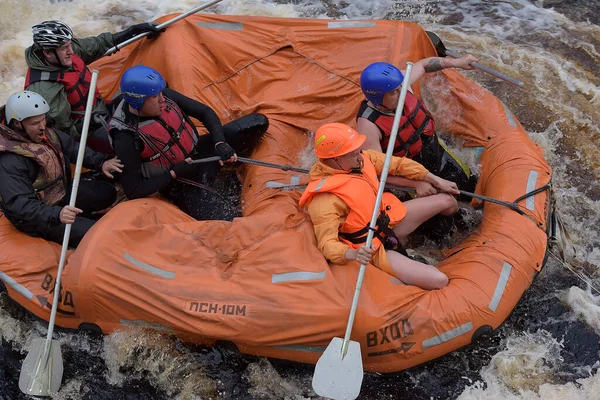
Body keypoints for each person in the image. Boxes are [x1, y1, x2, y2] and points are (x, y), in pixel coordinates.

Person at [299, 123, 460, 290]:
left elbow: (398, 164)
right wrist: (353, 254)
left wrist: (435, 180)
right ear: (335, 159)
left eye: (358, 151)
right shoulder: (324, 200)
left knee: (448, 202)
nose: (360, 157)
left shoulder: (361, 159)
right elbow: (327, 244)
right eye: (354, 154)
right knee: (439, 280)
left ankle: (442, 235)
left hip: (388, 219)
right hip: (372, 247)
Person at [108, 65, 269, 222]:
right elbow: (133, 189)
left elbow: (205, 112)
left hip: (198, 152)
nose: (162, 99)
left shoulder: (162, 96)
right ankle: (212, 183)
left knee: (258, 122)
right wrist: (173, 173)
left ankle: (223, 166)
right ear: (138, 102)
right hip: (178, 180)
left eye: (160, 93)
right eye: (155, 97)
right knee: (228, 219)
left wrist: (220, 143)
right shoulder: (125, 137)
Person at [0, 91, 123, 247]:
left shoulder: (45, 133)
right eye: (35, 123)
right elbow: (20, 204)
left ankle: (81, 216)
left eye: (43, 119)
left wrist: (101, 162)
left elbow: (72, 148)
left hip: (60, 192)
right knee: (96, 234)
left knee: (108, 193)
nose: (42, 126)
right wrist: (57, 214)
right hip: (39, 215)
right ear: (17, 124)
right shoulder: (9, 160)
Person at [24, 19, 164, 152]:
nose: (71, 51)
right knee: (138, 144)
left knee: (148, 96)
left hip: (101, 110)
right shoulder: (45, 90)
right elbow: (65, 133)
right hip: (88, 131)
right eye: (64, 48)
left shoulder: (61, 53)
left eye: (70, 45)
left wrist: (133, 31)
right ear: (47, 53)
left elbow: (98, 44)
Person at [356, 55, 480, 196]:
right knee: (447, 212)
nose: (401, 92)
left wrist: (456, 62)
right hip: (410, 175)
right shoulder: (368, 126)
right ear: (377, 98)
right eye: (394, 92)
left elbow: (423, 65)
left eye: (401, 87)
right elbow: (378, 172)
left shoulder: (397, 82)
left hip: (436, 153)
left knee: (470, 185)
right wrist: (416, 184)